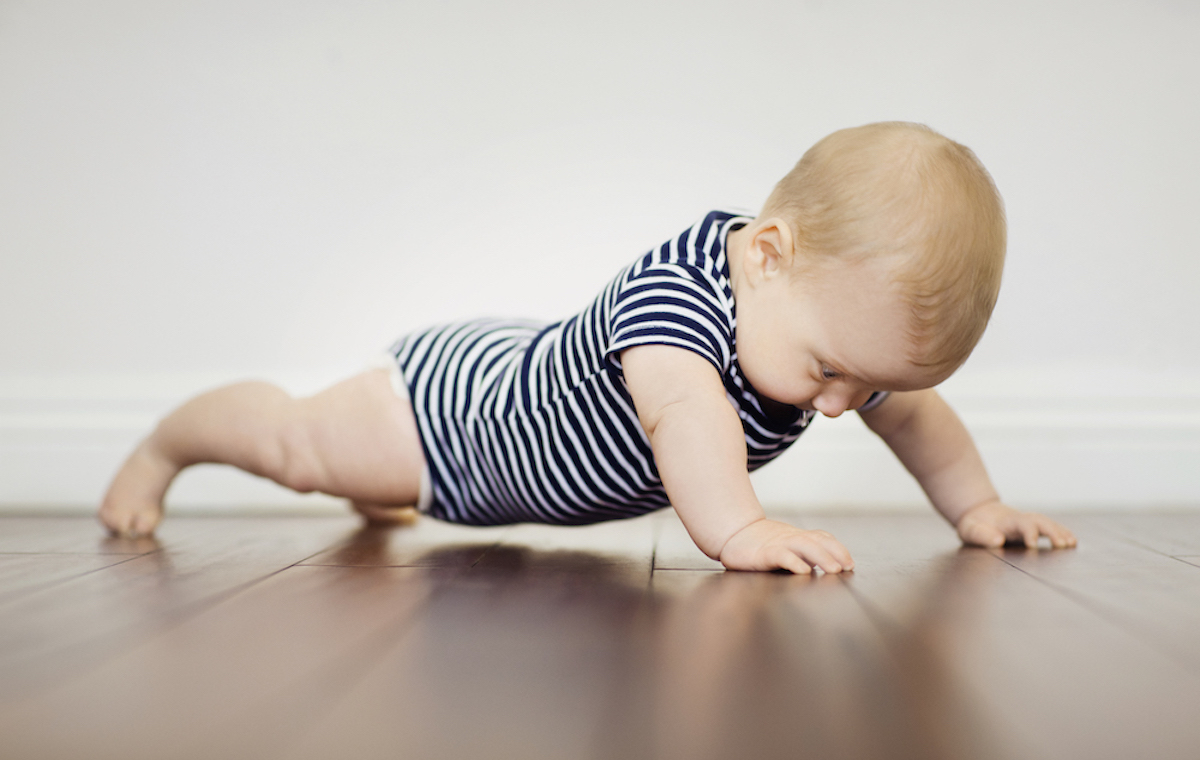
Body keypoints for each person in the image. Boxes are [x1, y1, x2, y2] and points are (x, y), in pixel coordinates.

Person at [98, 121, 1077, 573]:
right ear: (768, 256)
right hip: (453, 418)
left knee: (359, 477)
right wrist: (740, 531)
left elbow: (917, 417)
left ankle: (370, 488)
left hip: (513, 435)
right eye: (830, 372)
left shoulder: (829, 322)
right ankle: (167, 444)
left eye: (864, 382)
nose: (837, 404)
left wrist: (977, 505)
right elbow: (688, 421)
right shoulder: (676, 309)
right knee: (297, 445)